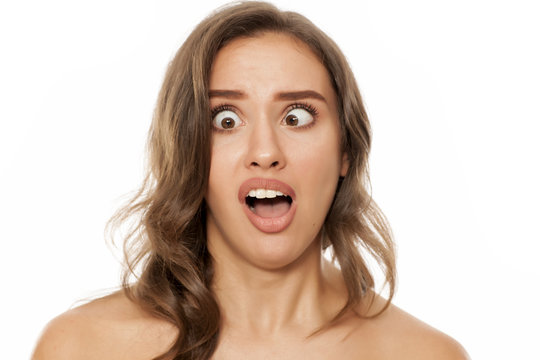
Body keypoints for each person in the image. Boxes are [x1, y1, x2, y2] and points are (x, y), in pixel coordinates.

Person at [32, 2, 469, 359]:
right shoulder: (81, 348)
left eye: (297, 117)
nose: (265, 152)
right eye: (225, 119)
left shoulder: (427, 354)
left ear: (346, 151)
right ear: (189, 151)